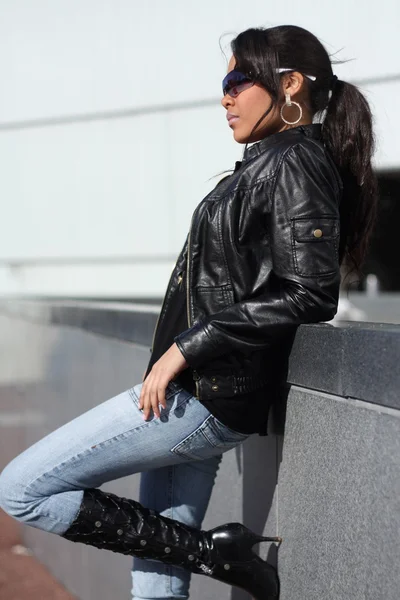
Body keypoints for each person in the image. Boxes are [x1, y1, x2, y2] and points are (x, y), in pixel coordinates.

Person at [0, 24, 377, 600]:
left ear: (291, 83)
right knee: (157, 583)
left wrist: (187, 345)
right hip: (192, 392)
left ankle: (214, 554)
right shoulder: (264, 162)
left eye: (236, 80)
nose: (224, 96)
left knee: (22, 488)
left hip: (202, 398)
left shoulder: (296, 162)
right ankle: (209, 553)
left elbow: (310, 292)